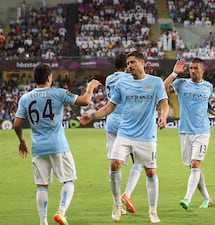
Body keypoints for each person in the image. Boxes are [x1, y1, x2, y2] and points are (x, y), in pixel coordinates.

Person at [80, 51, 168, 223]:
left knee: (150, 171)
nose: (130, 66)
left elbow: (164, 103)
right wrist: (92, 116)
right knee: (114, 164)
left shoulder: (155, 82)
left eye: (133, 62)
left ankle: (153, 211)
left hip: (146, 135)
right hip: (125, 132)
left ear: (142, 62)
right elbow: (110, 106)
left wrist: (163, 116)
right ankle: (116, 203)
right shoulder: (122, 83)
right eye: (128, 63)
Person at [14, 64, 101, 225]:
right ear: (48, 77)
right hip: (58, 146)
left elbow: (17, 124)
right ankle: (61, 211)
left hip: (38, 148)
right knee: (69, 180)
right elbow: (85, 101)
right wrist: (90, 87)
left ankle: (43, 221)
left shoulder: (25, 98)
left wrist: (22, 141)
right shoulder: (58, 93)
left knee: (42, 186)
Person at [164, 58, 215, 210]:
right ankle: (207, 198)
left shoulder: (208, 86)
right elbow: (162, 88)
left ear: (202, 70)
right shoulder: (181, 84)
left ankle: (187, 198)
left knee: (195, 164)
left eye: (195, 68)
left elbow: (206, 106)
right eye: (191, 68)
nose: (192, 71)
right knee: (193, 167)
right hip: (185, 131)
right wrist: (174, 73)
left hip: (202, 131)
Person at [104, 54, 142, 214]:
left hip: (111, 122)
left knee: (114, 164)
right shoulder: (129, 78)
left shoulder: (108, 79)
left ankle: (116, 202)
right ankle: (127, 194)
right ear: (126, 66)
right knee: (139, 161)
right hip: (128, 123)